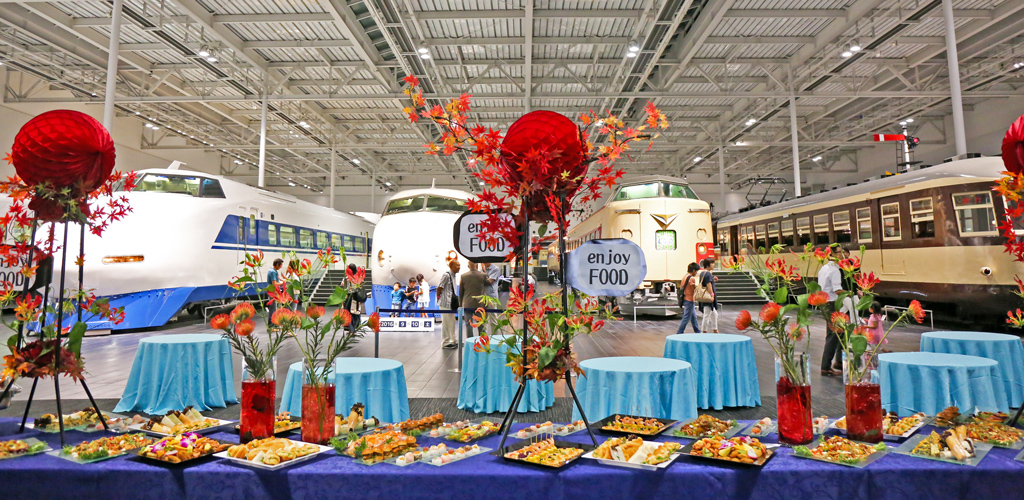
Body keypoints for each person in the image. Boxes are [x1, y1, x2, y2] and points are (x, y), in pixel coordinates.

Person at [818, 251, 844, 376]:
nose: (843, 255)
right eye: (840, 253)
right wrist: (851, 294)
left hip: (825, 303)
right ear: (836, 255)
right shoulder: (835, 271)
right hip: (833, 303)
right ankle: (826, 366)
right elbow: (837, 290)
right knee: (834, 335)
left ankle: (838, 361)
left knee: (839, 333)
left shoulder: (823, 268)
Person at [458, 262, 489, 337]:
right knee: (481, 325)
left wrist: (460, 304)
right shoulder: (483, 275)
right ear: (477, 265)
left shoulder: (463, 276)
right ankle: (483, 341)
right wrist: (484, 271)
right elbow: (488, 284)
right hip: (480, 304)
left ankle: (470, 341)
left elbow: (461, 292)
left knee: (468, 325)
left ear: (468, 266)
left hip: (467, 304)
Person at [436, 259, 461, 348]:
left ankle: (453, 340)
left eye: (459, 265)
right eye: (456, 265)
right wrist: (438, 298)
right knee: (446, 323)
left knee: (452, 322)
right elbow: (439, 287)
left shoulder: (454, 276)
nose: (459, 267)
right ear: (451, 266)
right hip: (445, 303)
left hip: (451, 303)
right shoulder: (446, 275)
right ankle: (445, 342)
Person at [676, 263, 701, 334]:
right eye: (696, 271)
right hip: (690, 299)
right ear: (693, 270)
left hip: (685, 298)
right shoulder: (692, 278)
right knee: (686, 317)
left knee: (693, 317)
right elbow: (694, 289)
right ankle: (680, 332)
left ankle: (697, 331)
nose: (696, 273)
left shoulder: (685, 276)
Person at [697, 258, 720, 333]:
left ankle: (715, 329)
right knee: (706, 315)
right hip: (708, 298)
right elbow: (708, 285)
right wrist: (712, 295)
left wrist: (713, 279)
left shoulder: (703, 273)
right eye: (712, 263)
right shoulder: (708, 273)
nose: (714, 265)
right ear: (707, 265)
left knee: (714, 314)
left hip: (705, 297)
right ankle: (704, 331)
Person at [343, 263, 366, 335]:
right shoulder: (358, 277)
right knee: (355, 312)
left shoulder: (347, 278)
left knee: (348, 313)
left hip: (349, 297)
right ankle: (354, 328)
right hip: (356, 297)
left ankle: (350, 329)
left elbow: (344, 288)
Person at [266, 258, 284, 328]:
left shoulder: (271, 270)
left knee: (273, 308)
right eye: (280, 265)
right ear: (277, 264)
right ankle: (271, 326)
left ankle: (274, 324)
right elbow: (274, 283)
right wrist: (283, 283)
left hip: (271, 291)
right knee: (273, 309)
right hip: (273, 292)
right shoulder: (273, 272)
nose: (281, 267)